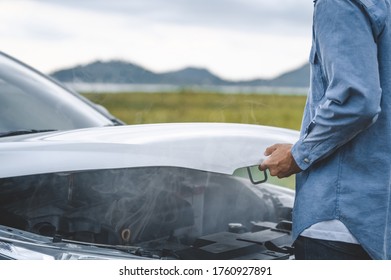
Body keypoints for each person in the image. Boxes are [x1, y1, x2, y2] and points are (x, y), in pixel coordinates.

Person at [259, 0, 391, 260]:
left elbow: (357, 101)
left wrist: (299, 155)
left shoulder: (337, 2)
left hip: (338, 223)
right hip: (377, 223)